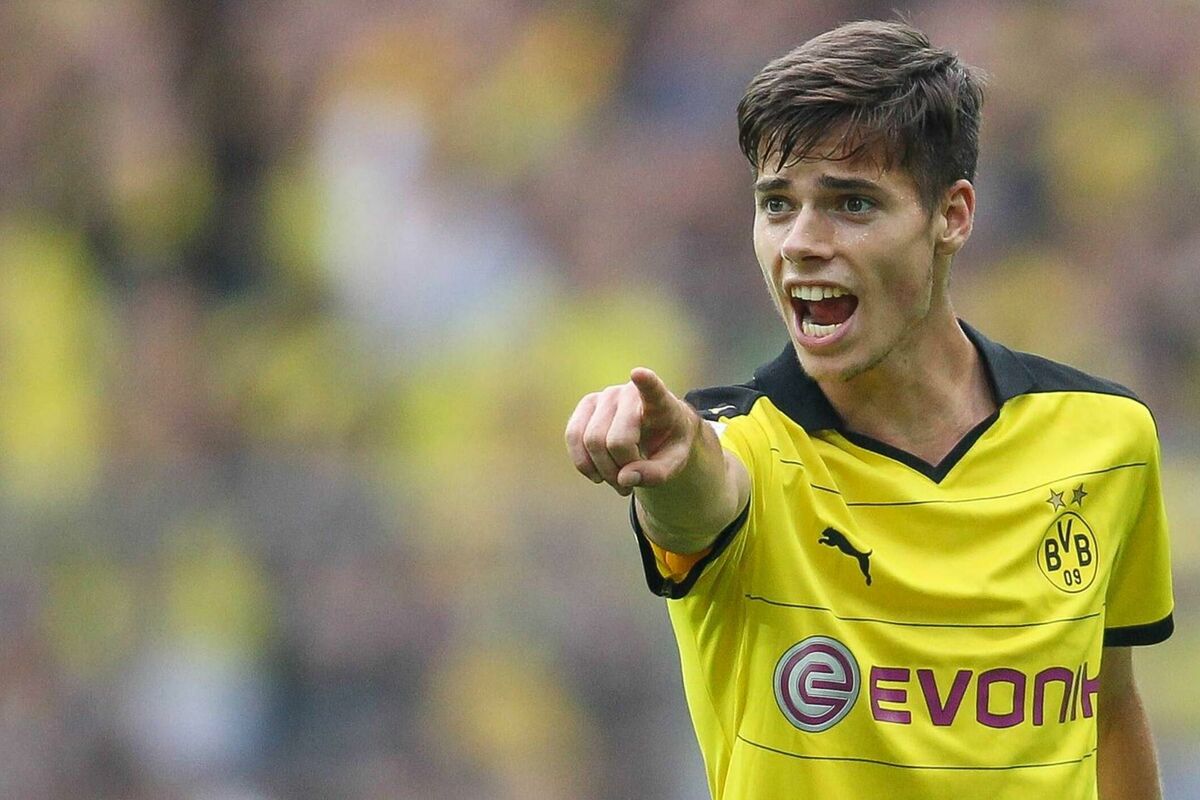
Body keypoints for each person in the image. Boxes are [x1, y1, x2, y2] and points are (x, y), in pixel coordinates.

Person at [564, 19, 1174, 800]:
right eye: (777, 204)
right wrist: (670, 463)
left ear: (952, 216)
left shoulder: (1107, 437)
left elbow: (1108, 709)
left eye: (851, 203)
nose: (800, 242)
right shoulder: (742, 444)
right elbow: (696, 496)